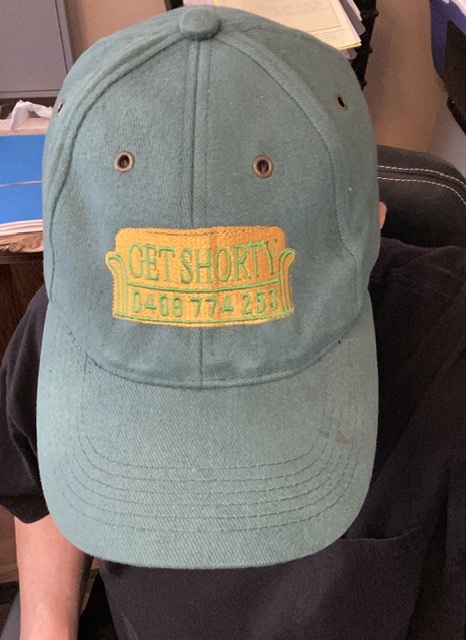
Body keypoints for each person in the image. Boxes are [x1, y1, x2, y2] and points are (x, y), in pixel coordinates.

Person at [1, 7, 466, 639]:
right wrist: (46, 626)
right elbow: (34, 482)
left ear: (374, 224)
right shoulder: (69, 317)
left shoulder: (449, 352)